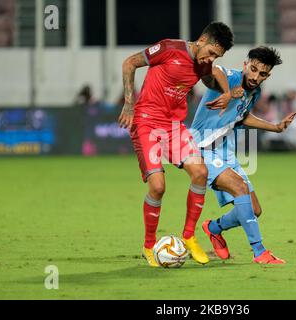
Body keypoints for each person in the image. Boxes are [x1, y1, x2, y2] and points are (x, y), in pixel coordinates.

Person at [118, 22, 234, 267]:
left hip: (173, 126)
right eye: (211, 52)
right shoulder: (170, 48)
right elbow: (129, 63)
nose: (210, 59)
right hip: (147, 122)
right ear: (202, 39)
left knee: (200, 173)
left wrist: (226, 91)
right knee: (158, 187)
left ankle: (189, 236)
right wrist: (129, 103)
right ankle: (149, 246)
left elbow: (212, 78)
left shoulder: (203, 63)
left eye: (216, 56)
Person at [191, 47, 296, 265]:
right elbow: (213, 70)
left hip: (225, 151)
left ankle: (213, 228)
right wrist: (228, 92)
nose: (256, 77)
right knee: (240, 188)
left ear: (268, 75)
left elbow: (242, 117)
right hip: (202, 149)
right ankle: (260, 252)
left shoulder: (254, 92)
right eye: (253, 69)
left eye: (263, 74)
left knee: (254, 210)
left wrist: (275, 128)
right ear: (245, 64)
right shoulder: (230, 78)